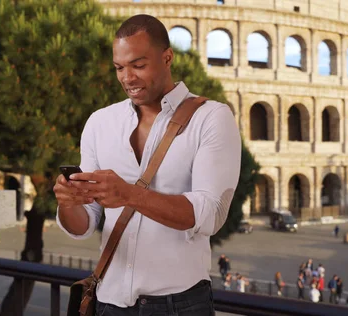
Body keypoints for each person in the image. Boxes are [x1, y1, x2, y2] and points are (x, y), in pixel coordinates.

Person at [53, 14, 241, 316]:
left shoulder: (212, 117)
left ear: (167, 58)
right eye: (119, 68)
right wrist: (67, 201)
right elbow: (85, 222)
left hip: (178, 305)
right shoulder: (100, 122)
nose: (128, 77)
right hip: (107, 300)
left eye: (139, 65)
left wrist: (130, 195)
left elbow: (211, 214)